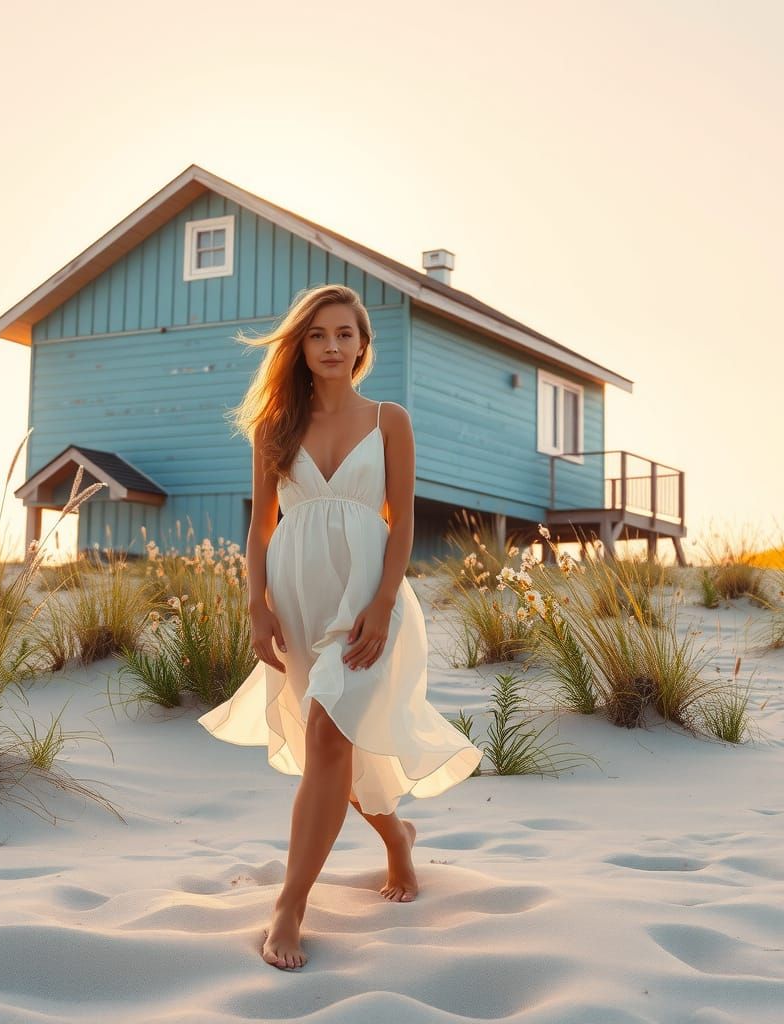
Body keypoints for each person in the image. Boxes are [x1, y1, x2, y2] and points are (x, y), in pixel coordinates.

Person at [198, 284, 483, 970]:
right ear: (300, 345)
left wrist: (383, 603)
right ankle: (397, 840)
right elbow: (261, 528)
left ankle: (288, 908)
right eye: (319, 335)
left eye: (345, 335)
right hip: (297, 599)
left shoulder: (390, 420)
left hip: (365, 600)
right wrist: (256, 606)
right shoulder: (275, 427)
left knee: (328, 736)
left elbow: (403, 520)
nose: (332, 346)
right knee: (335, 752)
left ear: (362, 346)